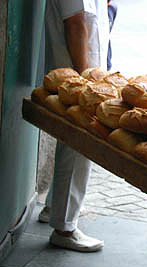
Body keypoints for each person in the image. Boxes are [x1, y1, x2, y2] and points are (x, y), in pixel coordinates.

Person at [38, 0, 110, 252]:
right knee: (77, 145)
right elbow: (76, 23)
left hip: (79, 73)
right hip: (76, 77)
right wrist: (86, 81)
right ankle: (64, 228)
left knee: (69, 142)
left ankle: (53, 208)